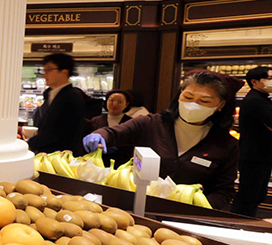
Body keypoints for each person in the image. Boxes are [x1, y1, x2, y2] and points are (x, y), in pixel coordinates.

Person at [84, 70, 242, 209]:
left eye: (204, 101)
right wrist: (100, 135)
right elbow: (114, 133)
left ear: (221, 105)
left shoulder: (225, 144)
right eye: (188, 97)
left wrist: (199, 207)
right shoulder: (151, 124)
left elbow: (224, 191)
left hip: (187, 219)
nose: (193, 104)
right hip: (135, 208)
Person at [27, 53, 88, 155]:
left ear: (64, 72)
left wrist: (30, 143)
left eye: (49, 70)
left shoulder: (72, 96)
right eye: (44, 70)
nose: (44, 75)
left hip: (62, 156)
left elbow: (59, 132)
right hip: (48, 154)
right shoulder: (51, 94)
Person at [232, 67, 272, 217]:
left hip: (259, 155)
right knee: (249, 196)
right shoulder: (256, 100)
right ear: (254, 81)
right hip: (255, 156)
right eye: (269, 78)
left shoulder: (262, 98)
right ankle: (239, 223)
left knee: (254, 195)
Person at [87, 89, 134, 166]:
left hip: (122, 164)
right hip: (97, 163)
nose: (114, 104)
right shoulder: (95, 120)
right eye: (111, 100)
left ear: (126, 104)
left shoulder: (131, 122)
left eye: (119, 102)